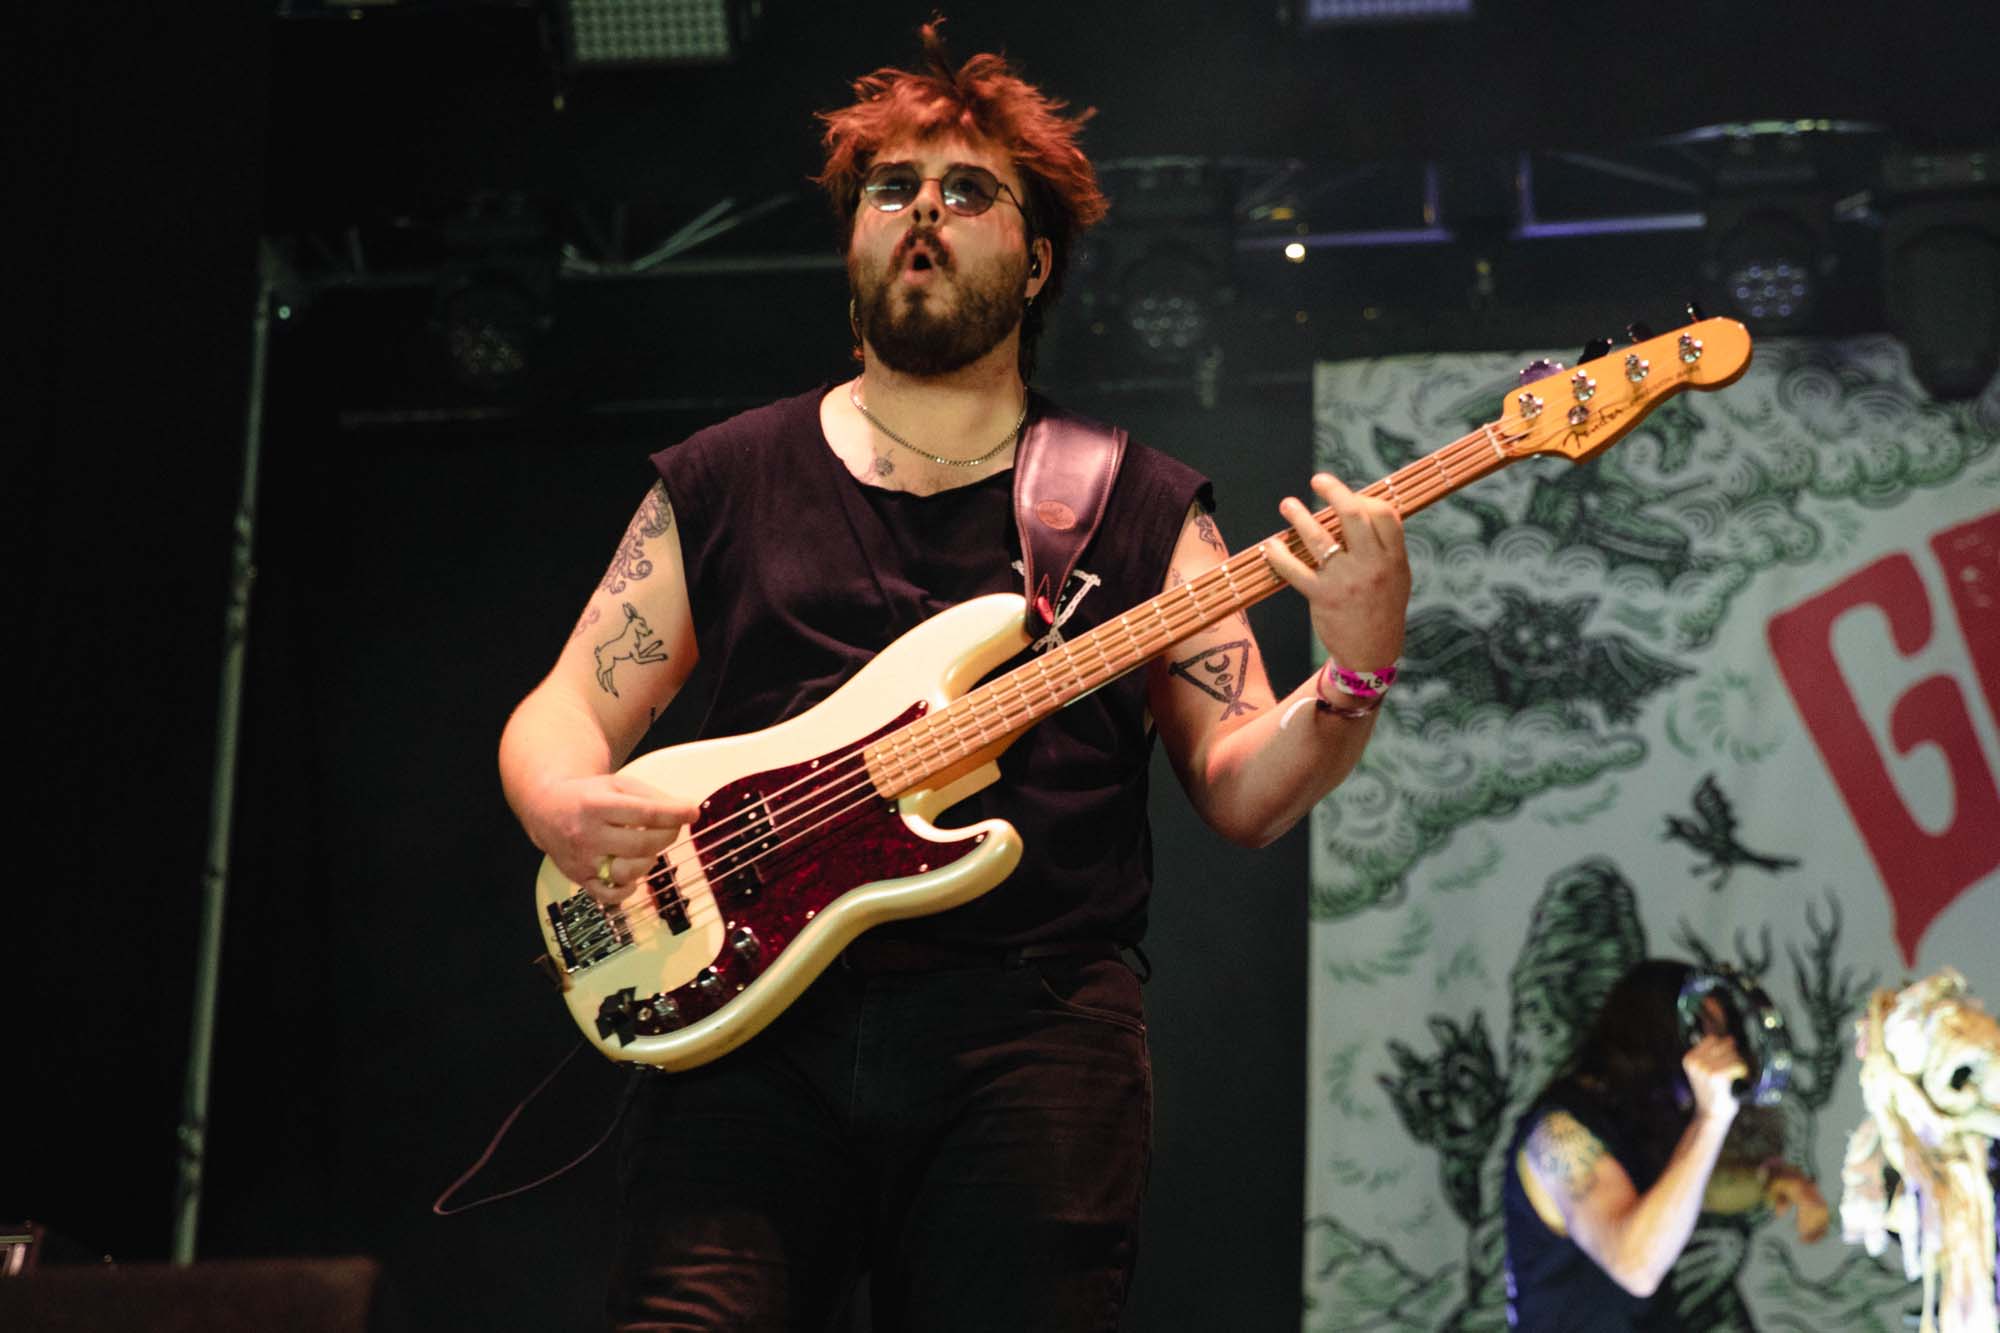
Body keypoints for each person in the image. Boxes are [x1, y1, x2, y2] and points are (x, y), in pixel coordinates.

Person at [498, 22, 1411, 1330]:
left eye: (968, 189)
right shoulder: (725, 478)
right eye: (892, 188)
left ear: (1035, 261)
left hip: (1029, 1039)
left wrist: (1356, 666)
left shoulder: (1139, 506)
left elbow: (1241, 785)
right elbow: (567, 708)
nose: (923, 209)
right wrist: (559, 802)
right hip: (741, 1020)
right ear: (854, 242)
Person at [1502, 959, 1830, 1331]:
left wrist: (1772, 1181)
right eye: (1703, 1032)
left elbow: (1692, 1191)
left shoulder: (1641, 1124)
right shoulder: (1560, 1132)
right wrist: (1711, 1118)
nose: (1717, 1052)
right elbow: (1636, 1265)